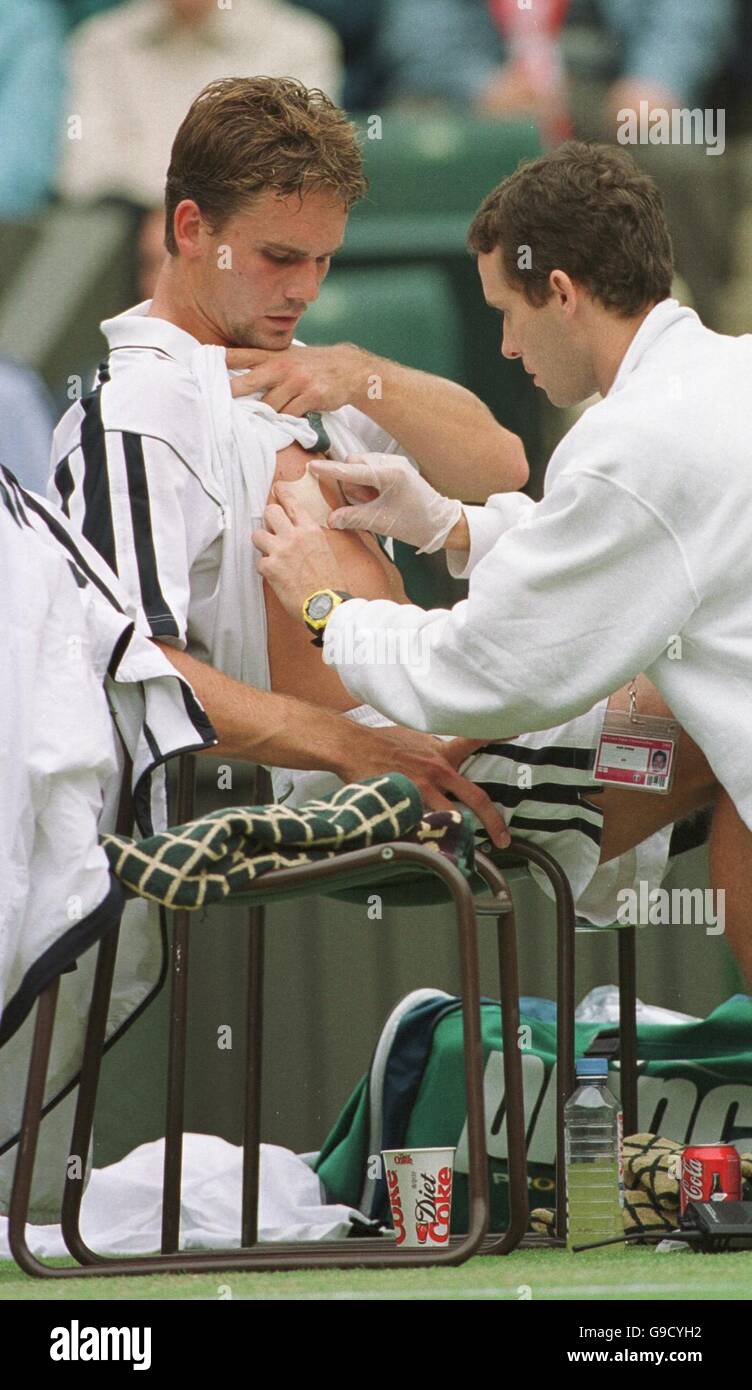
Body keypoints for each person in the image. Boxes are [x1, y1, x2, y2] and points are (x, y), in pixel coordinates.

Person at [48, 76, 687, 923]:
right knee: (717, 707)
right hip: (331, 786)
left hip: (443, 722)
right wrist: (353, 746)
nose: (304, 289)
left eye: (323, 262)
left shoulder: (303, 366)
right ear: (192, 228)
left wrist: (359, 374)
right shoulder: (133, 414)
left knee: (718, 698)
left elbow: (497, 463)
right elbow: (131, 665)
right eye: (281, 258)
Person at [253, 141, 752, 982]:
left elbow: (493, 669)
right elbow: (650, 550)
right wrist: (452, 525)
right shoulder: (723, 376)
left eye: (506, 314)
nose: (510, 348)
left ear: (560, 292)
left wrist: (329, 611)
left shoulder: (631, 441)